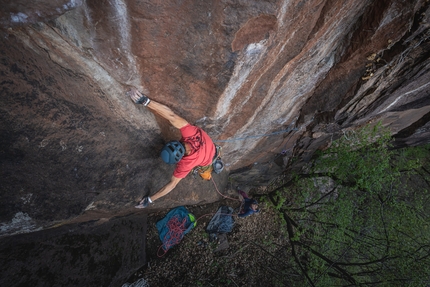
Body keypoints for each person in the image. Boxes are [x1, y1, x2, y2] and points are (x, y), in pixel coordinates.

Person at [128, 89, 217, 208]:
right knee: (208, 169)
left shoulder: (186, 164)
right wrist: (145, 101)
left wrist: (149, 200)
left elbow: (172, 184)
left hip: (208, 160)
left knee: (206, 175)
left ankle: (209, 173)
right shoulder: (191, 133)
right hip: (212, 148)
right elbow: (172, 116)